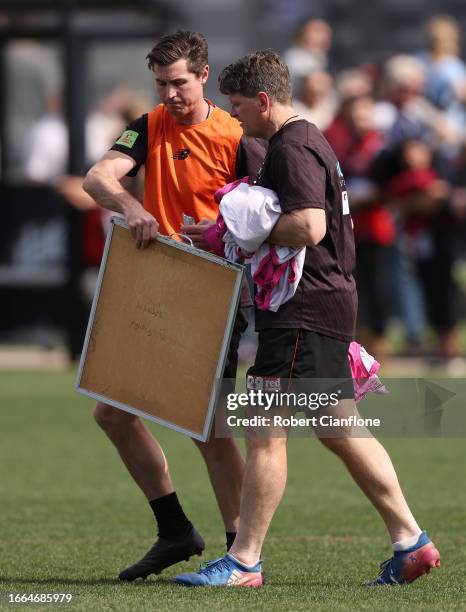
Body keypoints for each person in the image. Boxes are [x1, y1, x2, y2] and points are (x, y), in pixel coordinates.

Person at [175, 50, 440, 587]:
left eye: (239, 104)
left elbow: (309, 226)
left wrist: (235, 232)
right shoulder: (309, 137)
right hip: (326, 302)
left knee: (264, 432)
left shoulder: (291, 145)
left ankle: (244, 561)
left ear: (264, 100)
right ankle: (411, 541)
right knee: (339, 426)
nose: (236, 115)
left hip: (302, 309)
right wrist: (221, 231)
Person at [83, 30, 265, 581]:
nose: (170, 94)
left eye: (179, 83)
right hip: (157, 282)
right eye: (161, 84)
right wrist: (129, 206)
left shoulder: (236, 132)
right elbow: (98, 177)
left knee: (207, 426)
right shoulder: (151, 123)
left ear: (203, 75)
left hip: (215, 288)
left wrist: (223, 231)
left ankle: (240, 555)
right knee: (111, 413)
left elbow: (266, 208)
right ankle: (176, 531)